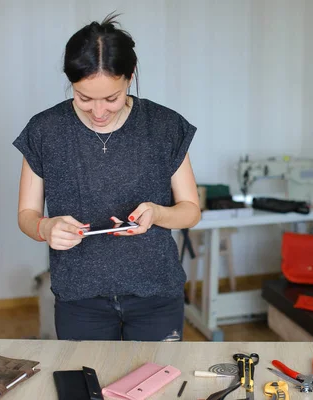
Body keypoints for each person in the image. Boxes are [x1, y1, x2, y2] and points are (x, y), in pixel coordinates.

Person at [13, 13, 201, 341]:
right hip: (79, 299)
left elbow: (190, 210)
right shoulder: (45, 130)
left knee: (156, 388)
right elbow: (26, 215)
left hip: (156, 295)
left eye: (111, 99)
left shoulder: (164, 126)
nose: (98, 112)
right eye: (84, 98)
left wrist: (158, 213)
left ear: (129, 78)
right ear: (71, 82)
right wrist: (45, 227)